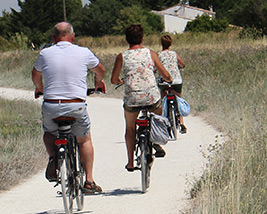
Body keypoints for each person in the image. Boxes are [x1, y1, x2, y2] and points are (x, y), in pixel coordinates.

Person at [32, 22, 107, 194]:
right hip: (75, 105)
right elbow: (100, 69)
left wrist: (39, 87)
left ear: (53, 38)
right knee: (84, 139)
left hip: (51, 105)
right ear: (73, 37)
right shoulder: (83, 52)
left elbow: (35, 74)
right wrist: (97, 82)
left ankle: (53, 158)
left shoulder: (45, 53)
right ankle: (89, 181)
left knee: (49, 133)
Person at [110, 24, 172, 172]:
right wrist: (168, 79)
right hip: (151, 97)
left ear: (126, 39)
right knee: (158, 117)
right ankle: (156, 141)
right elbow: (165, 74)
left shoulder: (122, 56)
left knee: (130, 128)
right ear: (142, 38)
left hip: (132, 99)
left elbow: (113, 79)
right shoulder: (151, 53)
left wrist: (120, 81)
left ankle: (131, 162)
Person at [157, 34, 187, 134]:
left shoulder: (158, 55)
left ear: (161, 44)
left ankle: (164, 122)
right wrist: (179, 66)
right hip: (176, 80)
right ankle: (182, 123)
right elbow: (182, 64)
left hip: (164, 81)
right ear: (170, 43)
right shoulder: (174, 54)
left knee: (163, 99)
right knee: (178, 99)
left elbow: (154, 67)